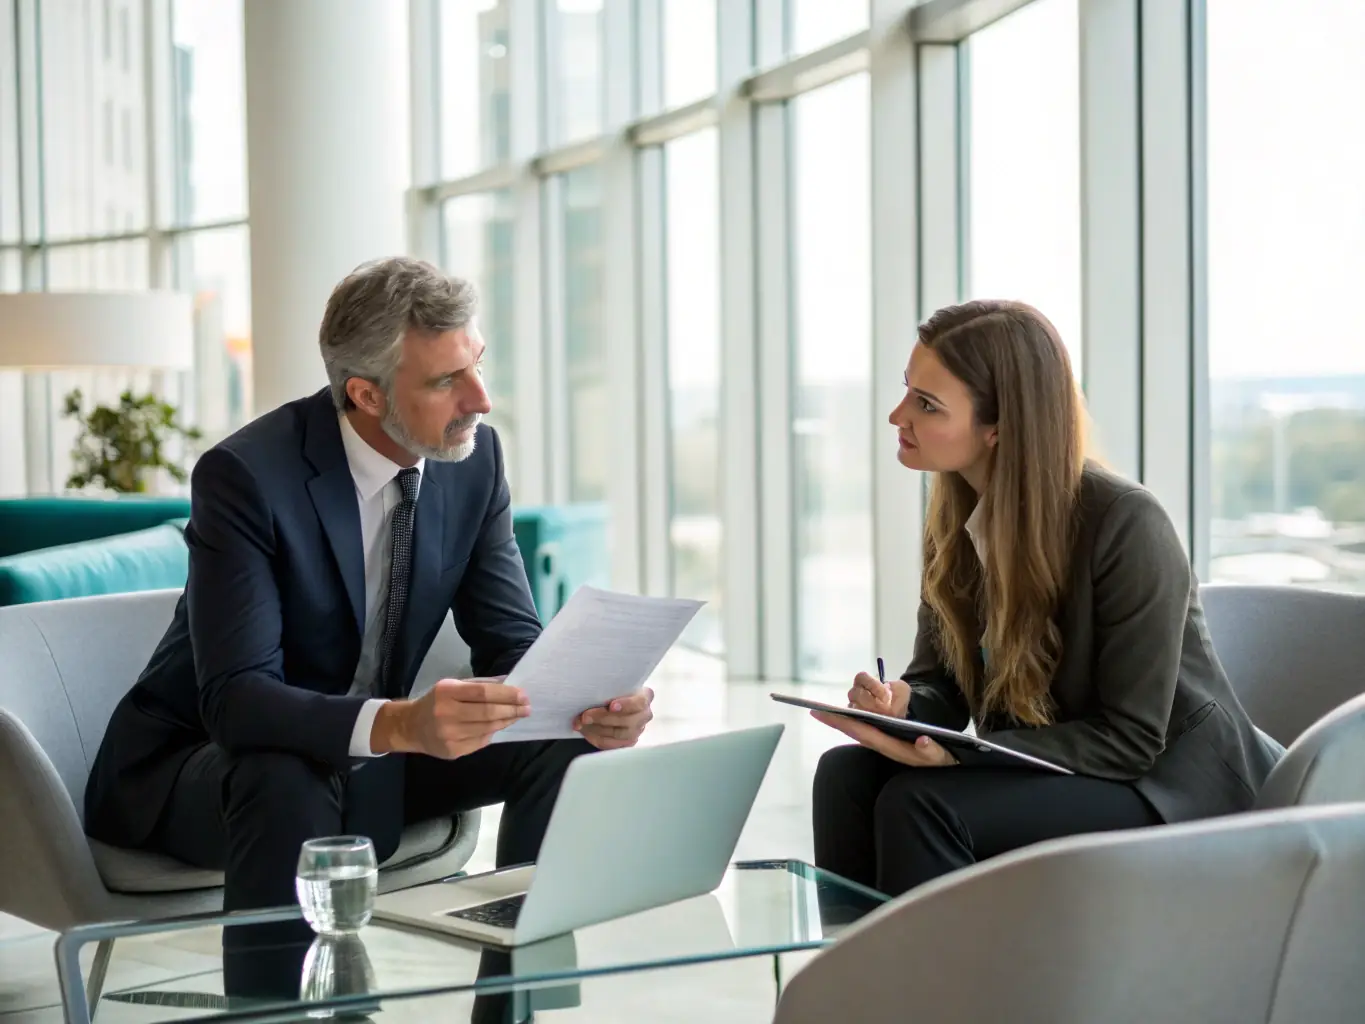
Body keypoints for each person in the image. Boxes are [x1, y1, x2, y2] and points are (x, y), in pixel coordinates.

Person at [85, 256, 654, 923]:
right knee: (283, 773)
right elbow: (238, 703)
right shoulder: (245, 477)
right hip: (206, 768)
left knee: (565, 741)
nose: (480, 398)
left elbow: (513, 649)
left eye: (477, 364)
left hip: (377, 756)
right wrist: (398, 723)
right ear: (366, 395)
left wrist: (586, 703)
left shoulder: (473, 463)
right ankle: (290, 1009)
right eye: (447, 380)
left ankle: (517, 986)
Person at [811, 299, 1283, 898]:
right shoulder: (955, 523)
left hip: (1170, 787)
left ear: (1000, 425)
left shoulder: (1125, 523)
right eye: (909, 390)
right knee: (846, 776)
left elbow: (1132, 738)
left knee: (922, 804)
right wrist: (903, 707)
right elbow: (945, 692)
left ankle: (942, 992)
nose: (896, 415)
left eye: (927, 405)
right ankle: (859, 985)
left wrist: (960, 758)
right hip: (1062, 763)